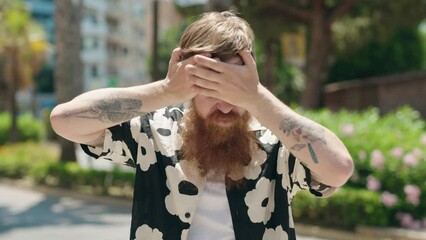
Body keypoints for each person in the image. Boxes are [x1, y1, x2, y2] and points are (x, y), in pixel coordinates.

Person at [50, 11, 353, 240]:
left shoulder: (276, 141)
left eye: (234, 93)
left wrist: (258, 98)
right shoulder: (155, 133)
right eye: (210, 91)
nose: (224, 106)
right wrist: (165, 91)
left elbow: (338, 169)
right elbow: (64, 121)